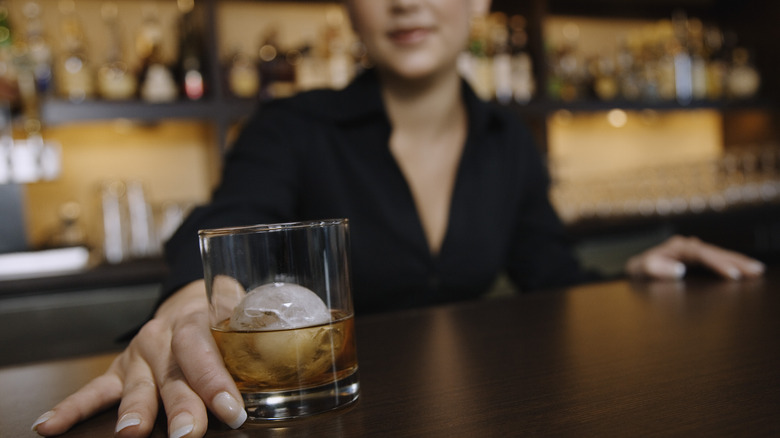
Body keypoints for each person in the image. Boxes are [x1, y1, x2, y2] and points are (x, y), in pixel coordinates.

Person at [32, 0, 765, 437]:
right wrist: (194, 299)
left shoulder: (506, 139)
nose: (408, 2)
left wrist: (628, 274)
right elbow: (230, 226)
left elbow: (550, 272)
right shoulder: (290, 127)